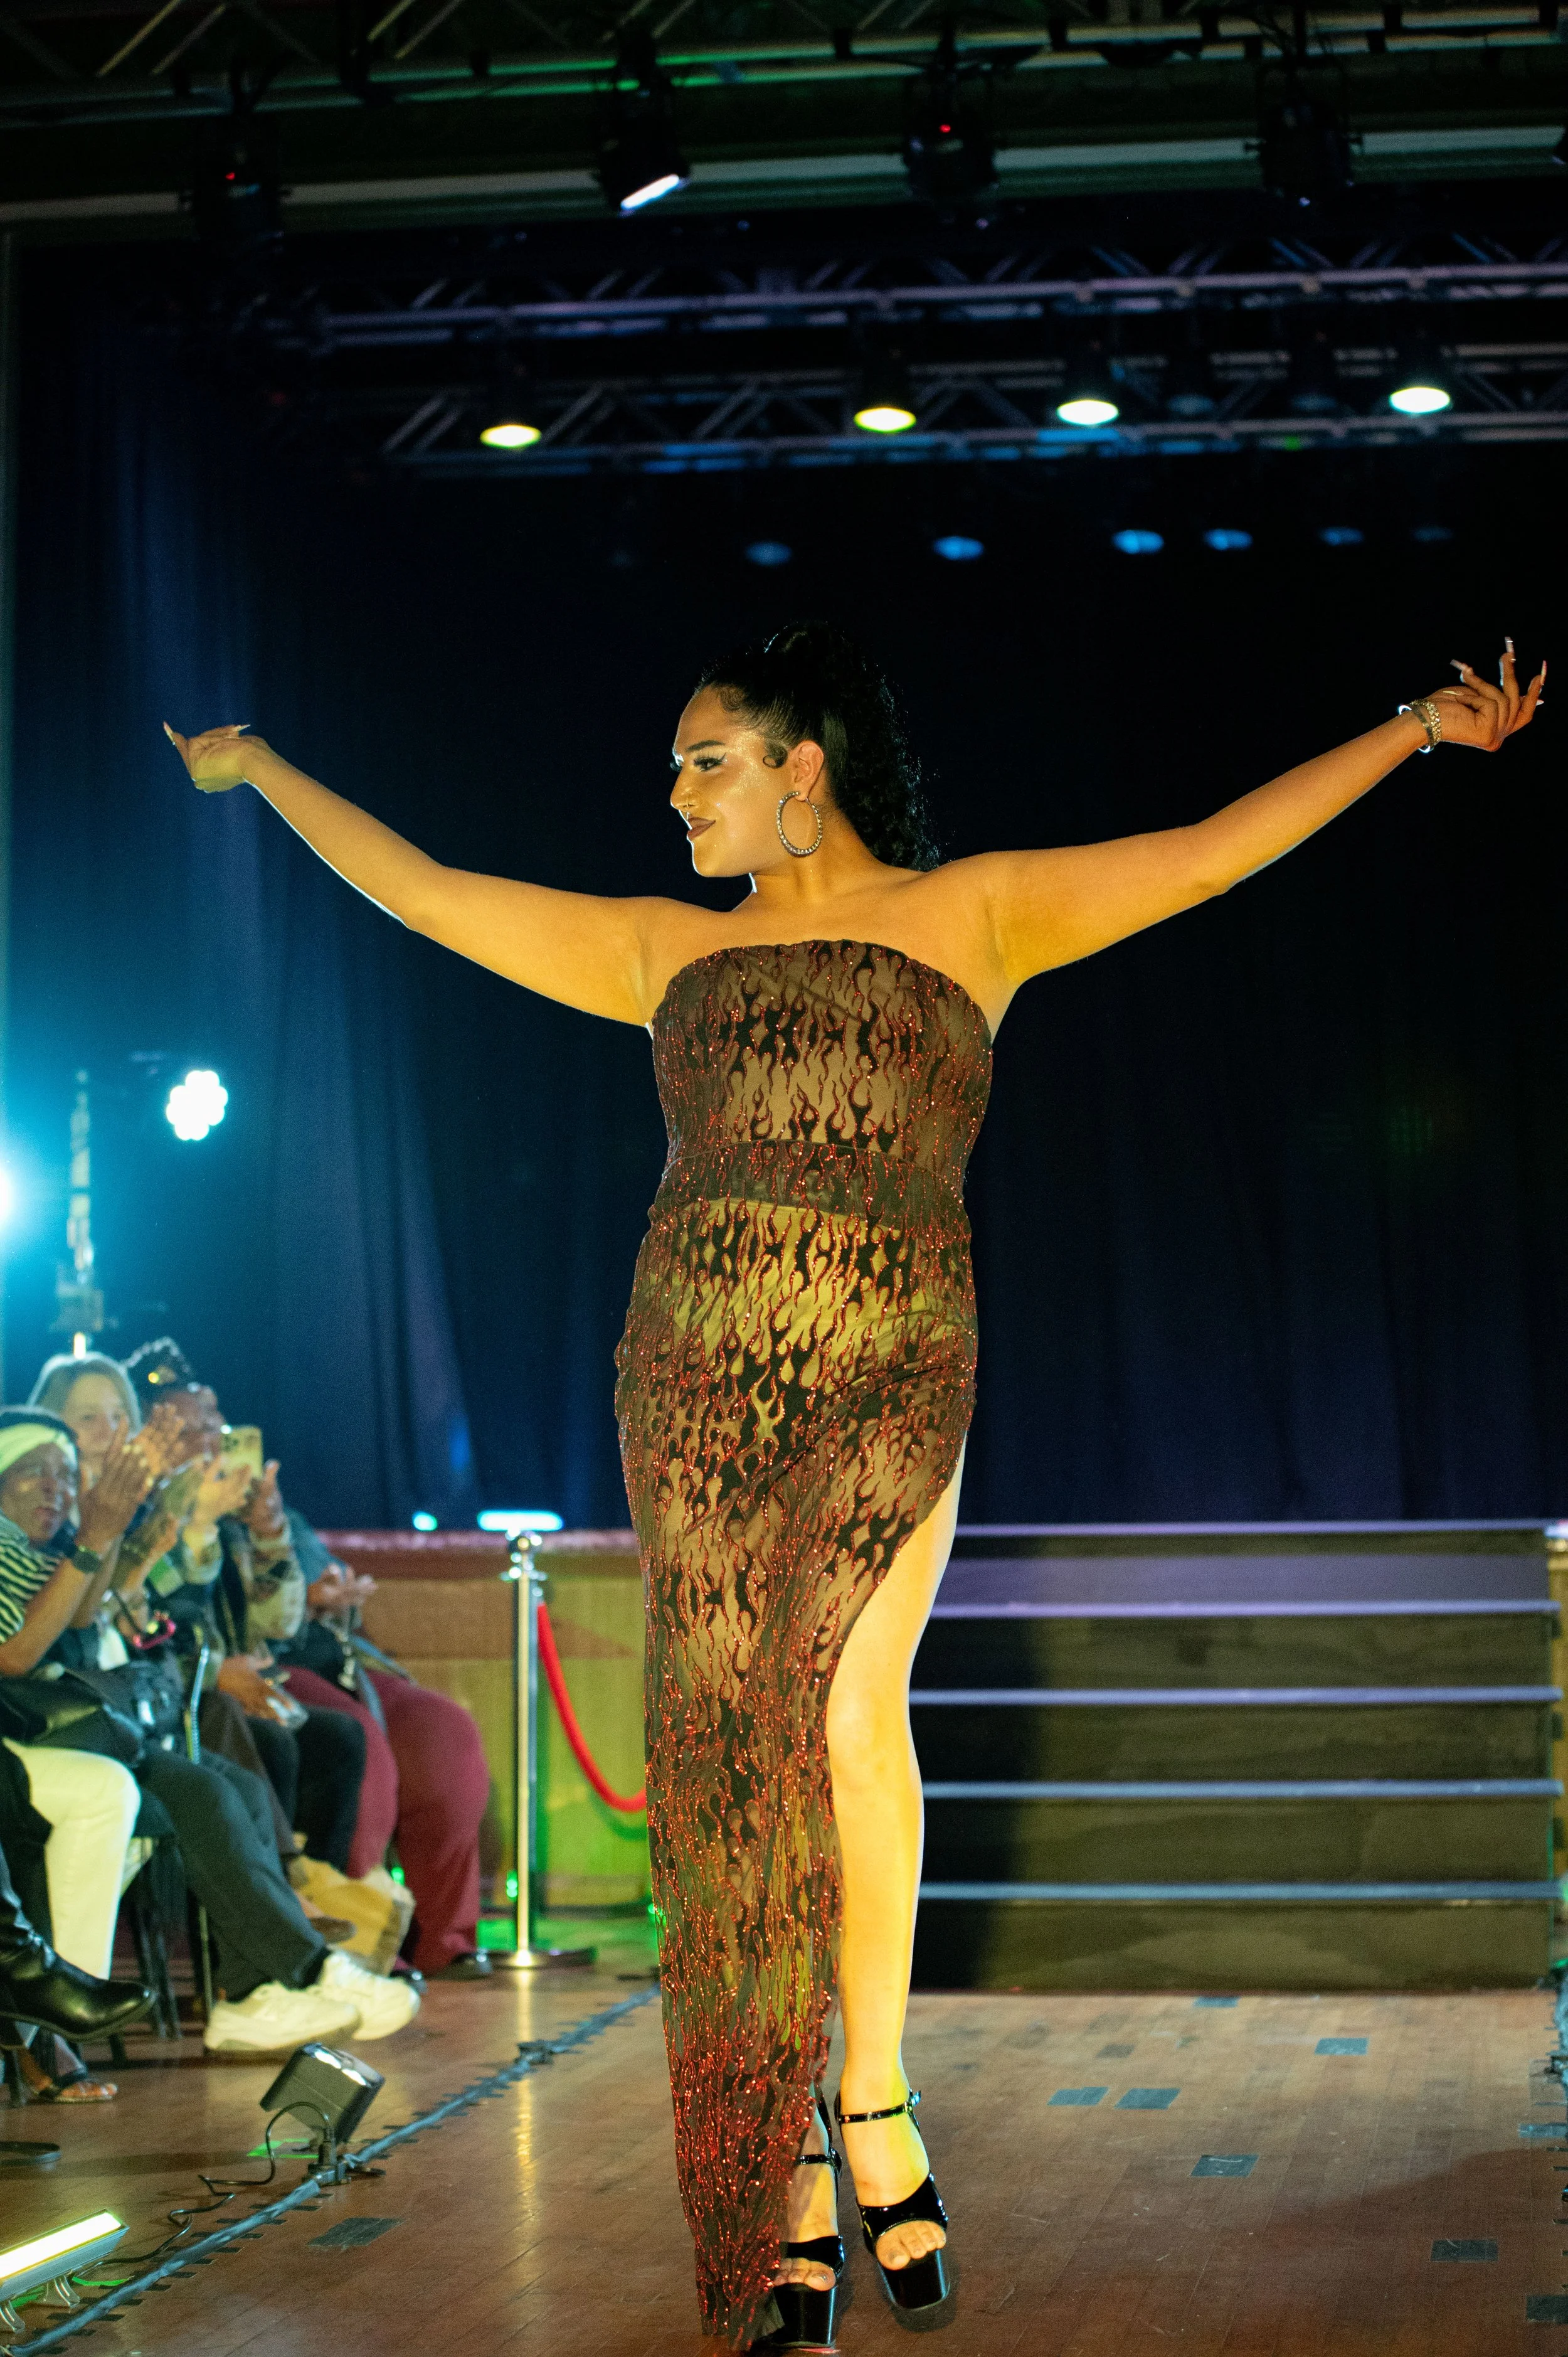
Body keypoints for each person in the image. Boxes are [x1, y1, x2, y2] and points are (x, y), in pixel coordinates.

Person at [167, 625, 1544, 2349]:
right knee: (730, 1761)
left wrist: (1413, 726)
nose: (673, 793)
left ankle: (871, 2090)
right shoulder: (662, 948)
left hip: (894, 1361)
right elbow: (435, 894)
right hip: (689, 1378)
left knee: (839, 1718)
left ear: (801, 766)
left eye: (704, 760)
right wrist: (266, 769)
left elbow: (1205, 851)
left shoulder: (973, 914)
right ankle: (786, 2174)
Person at [0, 1400, 420, 2056]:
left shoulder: (43, 1547)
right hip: (34, 1739)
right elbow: (19, 1652)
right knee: (208, 1785)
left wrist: (111, 1532)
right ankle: (306, 1969)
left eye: (62, 1471)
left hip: (90, 1723)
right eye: (35, 1471)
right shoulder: (8, 1545)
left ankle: (255, 1991)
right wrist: (114, 1530)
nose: (55, 1484)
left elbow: (96, 1616)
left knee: (243, 1786)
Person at [120, 1340, 368, 1873]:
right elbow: (153, 1631)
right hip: (172, 1698)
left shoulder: (230, 1518)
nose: (211, 1444)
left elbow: (275, 1625)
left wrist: (271, 1533)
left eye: (217, 1428)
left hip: (235, 1687)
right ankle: (283, 1904)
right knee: (268, 1742)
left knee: (340, 1739)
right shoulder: (138, 1521)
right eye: (191, 1433)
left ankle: (319, 1897)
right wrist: (213, 1674)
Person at [273, 1514, 494, 1980]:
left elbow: (327, 1586)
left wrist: (339, 1603)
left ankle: (440, 1937)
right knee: (357, 1740)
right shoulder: (177, 1505)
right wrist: (297, 1603)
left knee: (442, 1732)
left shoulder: (271, 1503)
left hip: (333, 1661)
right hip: (256, 1669)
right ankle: (364, 1934)